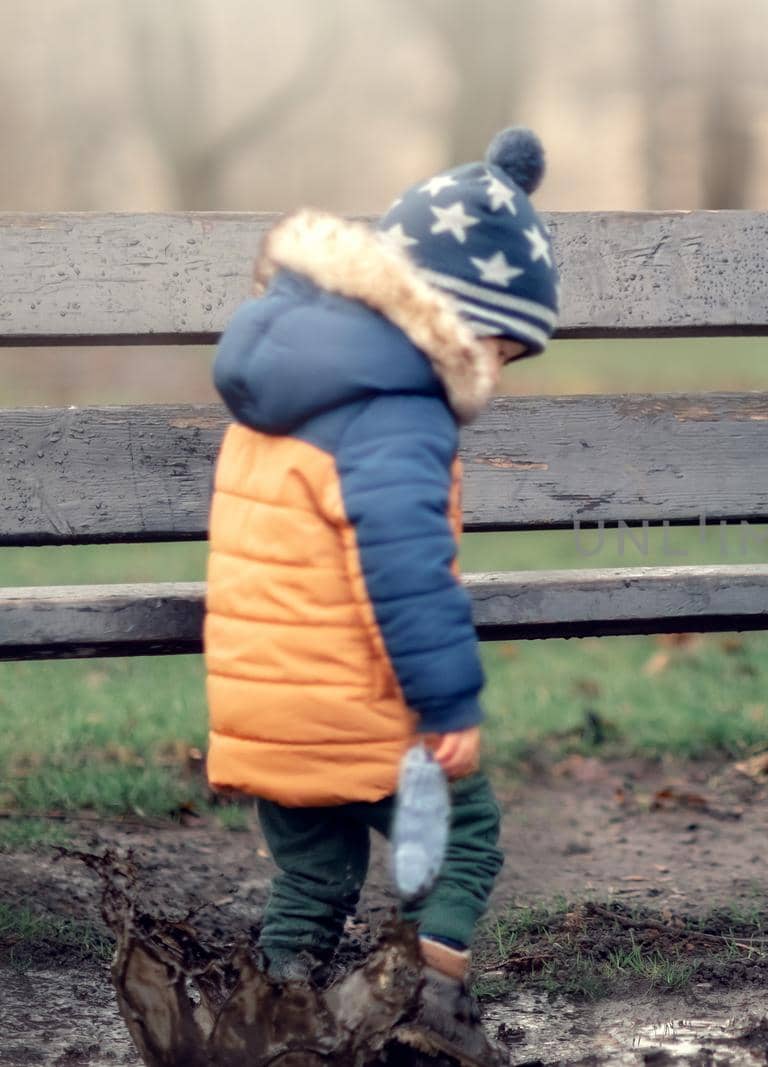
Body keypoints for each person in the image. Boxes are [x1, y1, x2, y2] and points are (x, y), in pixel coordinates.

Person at [203, 127, 557, 1062]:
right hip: (353, 692)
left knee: (313, 871)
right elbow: (404, 571)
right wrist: (447, 702)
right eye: (499, 346)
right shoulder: (397, 407)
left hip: (260, 695)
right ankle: (433, 1011)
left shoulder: (288, 371)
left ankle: (278, 1008)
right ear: (451, 315)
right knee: (464, 832)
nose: (495, 371)